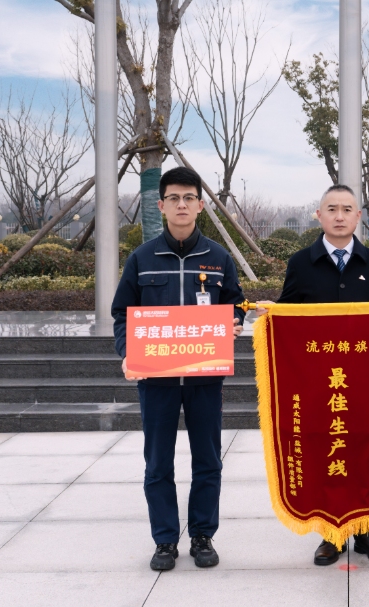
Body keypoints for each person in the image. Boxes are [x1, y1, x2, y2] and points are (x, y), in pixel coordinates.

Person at [259, 184, 369, 566]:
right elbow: (289, 314)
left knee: (365, 447)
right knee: (325, 449)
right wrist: (272, 315)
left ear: (359, 216)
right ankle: (331, 533)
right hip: (318, 384)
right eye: (331, 209)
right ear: (319, 215)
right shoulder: (300, 263)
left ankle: (368, 529)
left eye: (347, 209)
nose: (339, 216)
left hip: (364, 382)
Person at [112, 166, 246, 571]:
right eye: (174, 198)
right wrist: (127, 352)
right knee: (158, 463)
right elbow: (122, 313)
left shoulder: (219, 258)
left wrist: (235, 321)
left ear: (201, 206)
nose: (182, 205)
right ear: (161, 205)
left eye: (189, 198)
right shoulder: (142, 259)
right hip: (157, 380)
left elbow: (235, 302)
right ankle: (165, 540)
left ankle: (202, 535)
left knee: (208, 460)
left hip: (205, 377)